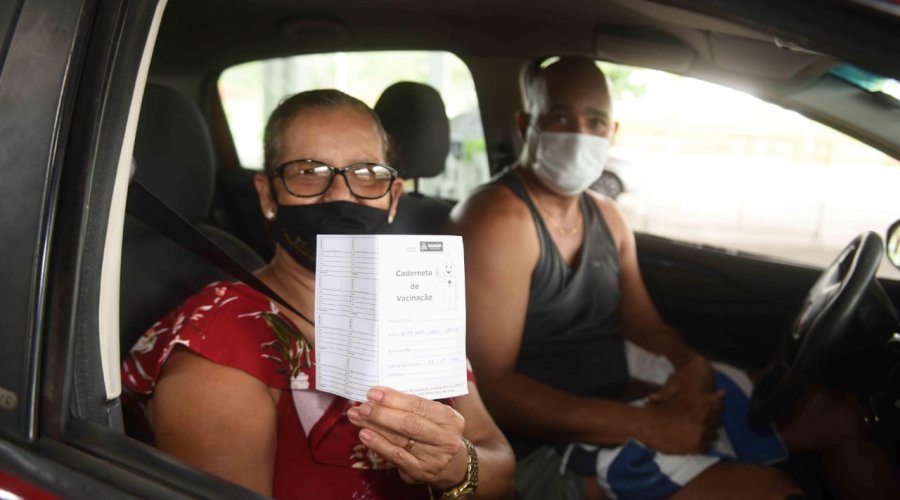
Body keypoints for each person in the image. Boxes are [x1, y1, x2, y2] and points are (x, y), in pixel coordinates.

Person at [449, 57, 900, 499]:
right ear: (528, 125)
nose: (579, 134)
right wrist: (650, 426)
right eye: (561, 117)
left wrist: (689, 366)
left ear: (613, 132)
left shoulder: (606, 216)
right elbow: (494, 389)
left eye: (595, 121)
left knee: (837, 416)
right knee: (766, 492)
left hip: (620, 402)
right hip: (540, 448)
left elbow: (643, 325)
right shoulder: (499, 219)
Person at [122, 89, 515, 499]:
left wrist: (456, 466)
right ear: (268, 195)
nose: (341, 195)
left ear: (393, 197)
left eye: (365, 173)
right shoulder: (221, 345)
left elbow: (501, 469)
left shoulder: (414, 307)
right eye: (309, 172)